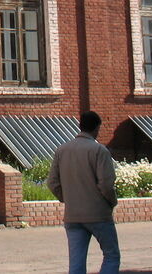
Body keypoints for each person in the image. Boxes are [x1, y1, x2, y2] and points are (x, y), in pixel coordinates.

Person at [48, 110, 120, 274]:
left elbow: (52, 182)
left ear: (80, 126)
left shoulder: (62, 150)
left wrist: (67, 199)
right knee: (111, 255)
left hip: (73, 215)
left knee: (76, 262)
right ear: (97, 128)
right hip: (98, 214)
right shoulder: (99, 150)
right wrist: (111, 202)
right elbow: (106, 184)